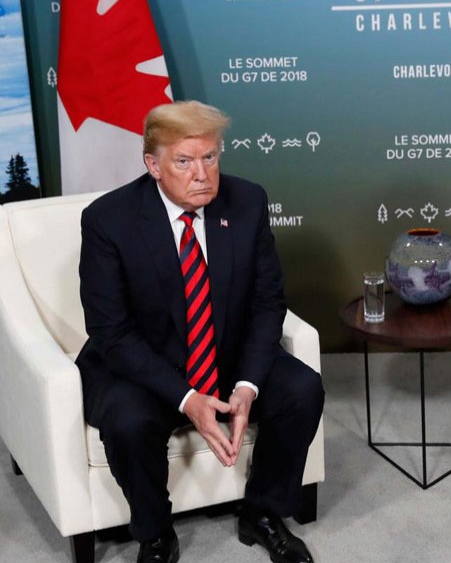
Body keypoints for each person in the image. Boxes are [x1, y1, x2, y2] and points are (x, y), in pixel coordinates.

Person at [75, 101, 325, 563]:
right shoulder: (108, 220)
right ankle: (154, 534)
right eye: (184, 161)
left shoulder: (247, 201)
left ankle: (263, 512)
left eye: (210, 157)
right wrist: (187, 398)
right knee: (128, 421)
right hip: (144, 366)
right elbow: (111, 333)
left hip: (225, 355)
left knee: (302, 389)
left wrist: (248, 384)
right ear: (153, 164)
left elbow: (267, 303)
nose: (202, 174)